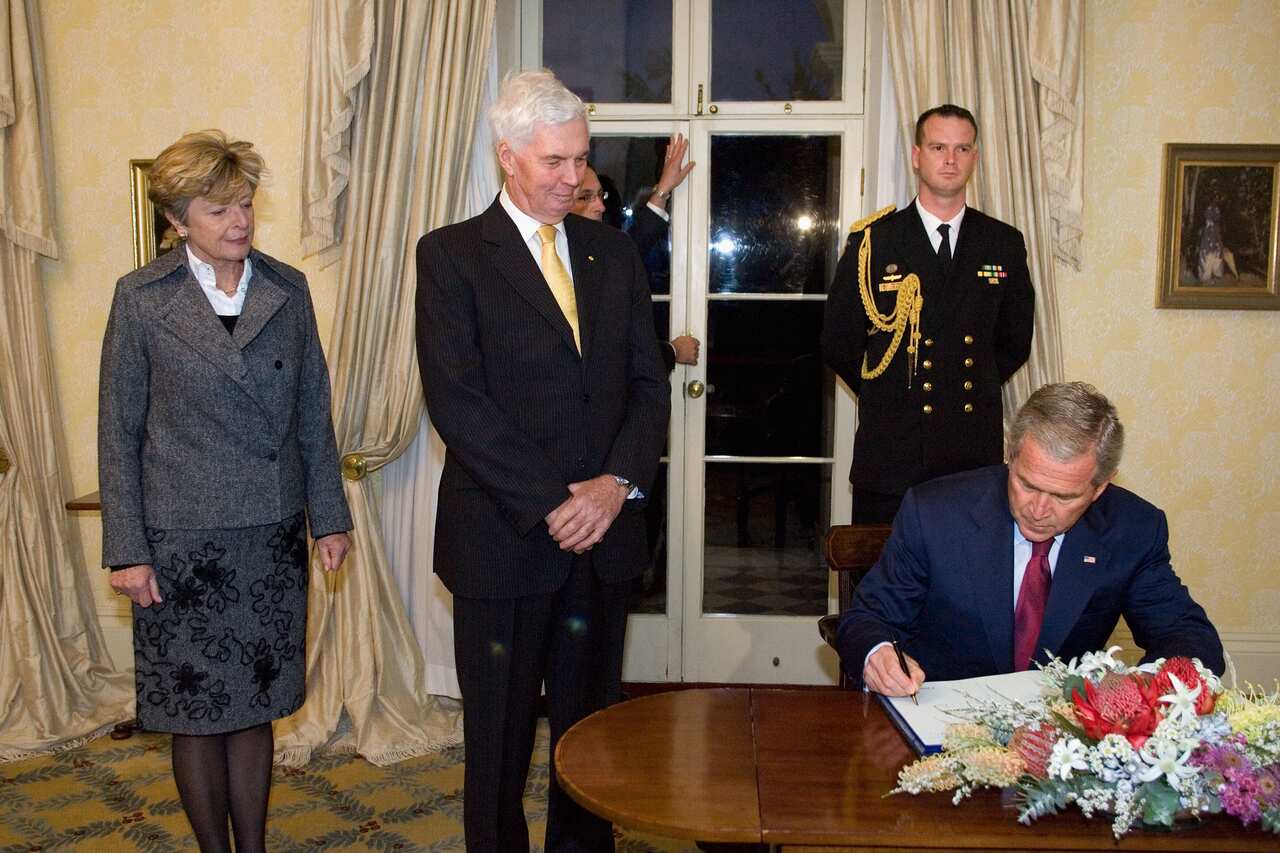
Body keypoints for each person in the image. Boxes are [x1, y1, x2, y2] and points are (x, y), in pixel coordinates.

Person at [415, 70, 669, 852]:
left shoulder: (613, 253)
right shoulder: (452, 255)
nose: (574, 177)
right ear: (508, 156)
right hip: (504, 538)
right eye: (555, 161)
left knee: (591, 735)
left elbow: (645, 383)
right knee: (496, 739)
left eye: (580, 160)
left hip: (603, 541)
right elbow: (457, 401)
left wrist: (614, 486)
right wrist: (556, 501)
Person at [98, 130, 352, 853]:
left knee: (256, 709)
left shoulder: (286, 286)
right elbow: (117, 433)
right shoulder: (142, 300)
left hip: (269, 538)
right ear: (178, 220)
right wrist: (128, 550)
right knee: (196, 711)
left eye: (244, 203)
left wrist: (328, 518)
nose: (239, 220)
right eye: (218, 209)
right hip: (182, 546)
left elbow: (312, 411)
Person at [838, 381, 1225, 698]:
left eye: (1064, 496)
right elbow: (869, 617)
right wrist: (878, 655)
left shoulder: (1132, 529)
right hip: (942, 717)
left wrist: (1141, 691)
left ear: (1100, 487)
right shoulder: (935, 512)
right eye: (1027, 484)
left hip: (1061, 739)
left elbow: (1189, 635)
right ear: (1011, 455)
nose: (1039, 509)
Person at [821, 104, 1036, 524]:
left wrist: (961, 384)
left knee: (965, 585)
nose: (950, 159)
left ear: (975, 157)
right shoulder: (873, 242)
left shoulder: (1002, 242)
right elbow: (838, 341)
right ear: (917, 156)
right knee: (883, 582)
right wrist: (889, 392)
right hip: (892, 455)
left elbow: (1015, 341)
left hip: (970, 453)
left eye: (962, 148)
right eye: (938, 147)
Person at [573, 137, 700, 372]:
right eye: (585, 197)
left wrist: (662, 190)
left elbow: (630, 247)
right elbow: (610, 359)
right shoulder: (552, 262)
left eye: (601, 195)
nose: (600, 206)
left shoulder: (594, 250)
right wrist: (673, 351)